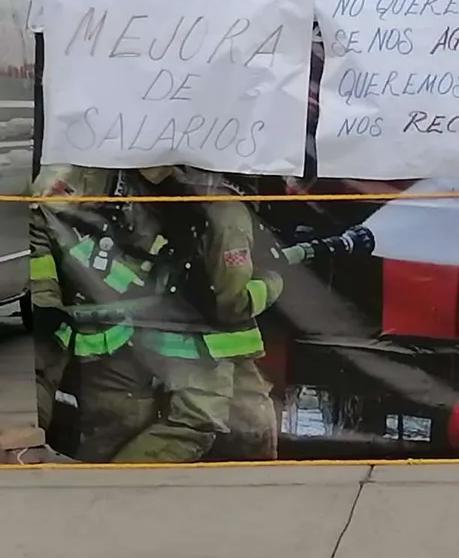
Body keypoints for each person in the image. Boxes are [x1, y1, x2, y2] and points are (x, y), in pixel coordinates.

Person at [30, 164, 289, 463]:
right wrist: (274, 281)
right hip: (188, 344)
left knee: (113, 434)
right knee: (196, 428)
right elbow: (231, 302)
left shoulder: (137, 193)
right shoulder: (225, 212)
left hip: (129, 337)